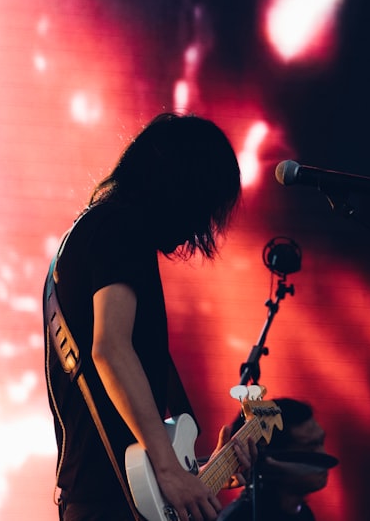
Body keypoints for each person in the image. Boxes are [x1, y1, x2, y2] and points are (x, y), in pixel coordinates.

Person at [45, 112, 255, 521]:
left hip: (98, 501)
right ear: (181, 186)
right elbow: (109, 349)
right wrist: (167, 468)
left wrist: (205, 470)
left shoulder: (90, 234)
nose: (200, 225)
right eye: (203, 204)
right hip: (108, 506)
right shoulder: (121, 226)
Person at [218, 398, 336, 521]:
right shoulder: (240, 517)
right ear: (269, 460)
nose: (323, 455)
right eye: (310, 448)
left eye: (321, 443)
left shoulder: (303, 514)